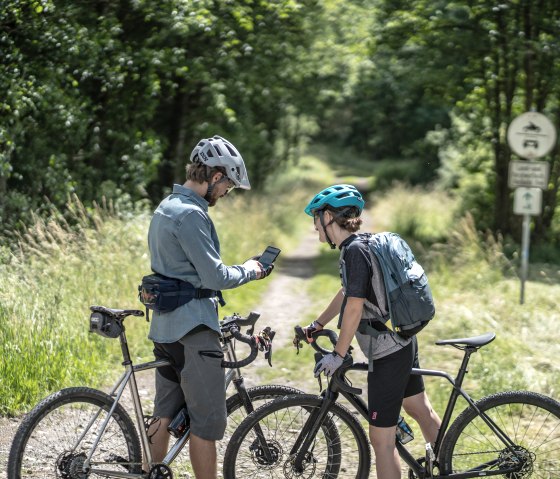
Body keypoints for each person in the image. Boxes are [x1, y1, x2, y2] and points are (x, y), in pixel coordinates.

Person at [145, 135, 272, 479]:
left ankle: (148, 474)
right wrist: (252, 268)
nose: (227, 192)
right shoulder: (191, 216)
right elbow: (215, 276)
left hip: (165, 329)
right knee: (206, 425)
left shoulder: (165, 207)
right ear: (216, 176)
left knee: (163, 413)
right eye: (228, 184)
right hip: (194, 332)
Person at [303, 184, 441, 479]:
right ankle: (447, 466)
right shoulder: (361, 244)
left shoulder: (354, 251)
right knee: (419, 408)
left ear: (328, 217)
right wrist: (319, 323)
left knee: (381, 440)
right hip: (402, 340)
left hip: (389, 351)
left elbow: (353, 307)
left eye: (316, 221)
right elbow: (348, 292)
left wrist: (338, 354)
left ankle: (446, 467)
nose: (315, 229)